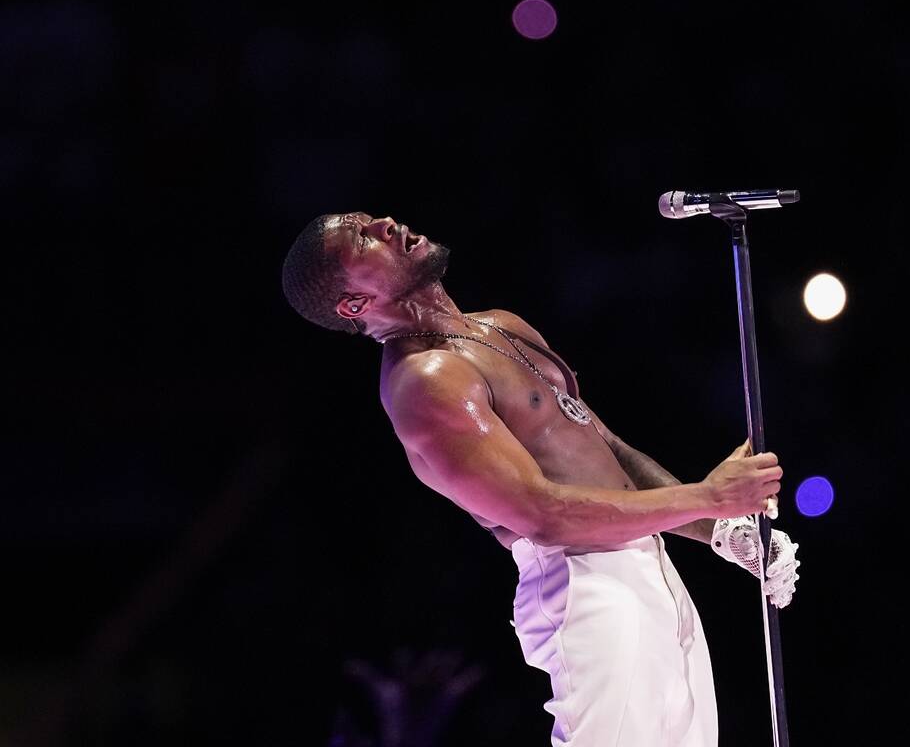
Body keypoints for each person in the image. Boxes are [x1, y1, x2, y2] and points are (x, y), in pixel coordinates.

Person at [281, 212, 801, 746]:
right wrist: (708, 498)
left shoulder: (501, 326)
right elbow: (543, 516)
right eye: (363, 237)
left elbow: (610, 452)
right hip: (585, 583)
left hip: (648, 565)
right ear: (354, 305)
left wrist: (720, 530)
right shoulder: (424, 381)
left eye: (375, 219)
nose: (387, 224)